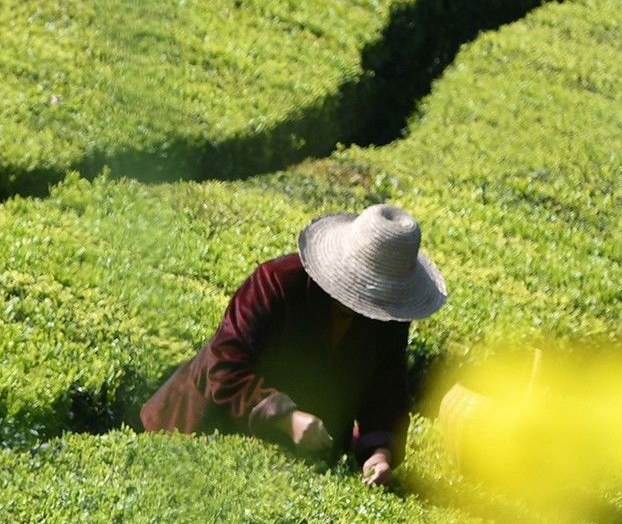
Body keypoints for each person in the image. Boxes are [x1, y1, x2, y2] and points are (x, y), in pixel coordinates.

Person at [139, 202, 448, 487]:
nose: (370, 307)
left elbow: (387, 391)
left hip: (294, 465)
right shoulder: (276, 283)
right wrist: (286, 417)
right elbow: (223, 366)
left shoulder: (389, 316)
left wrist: (380, 453)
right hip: (201, 429)